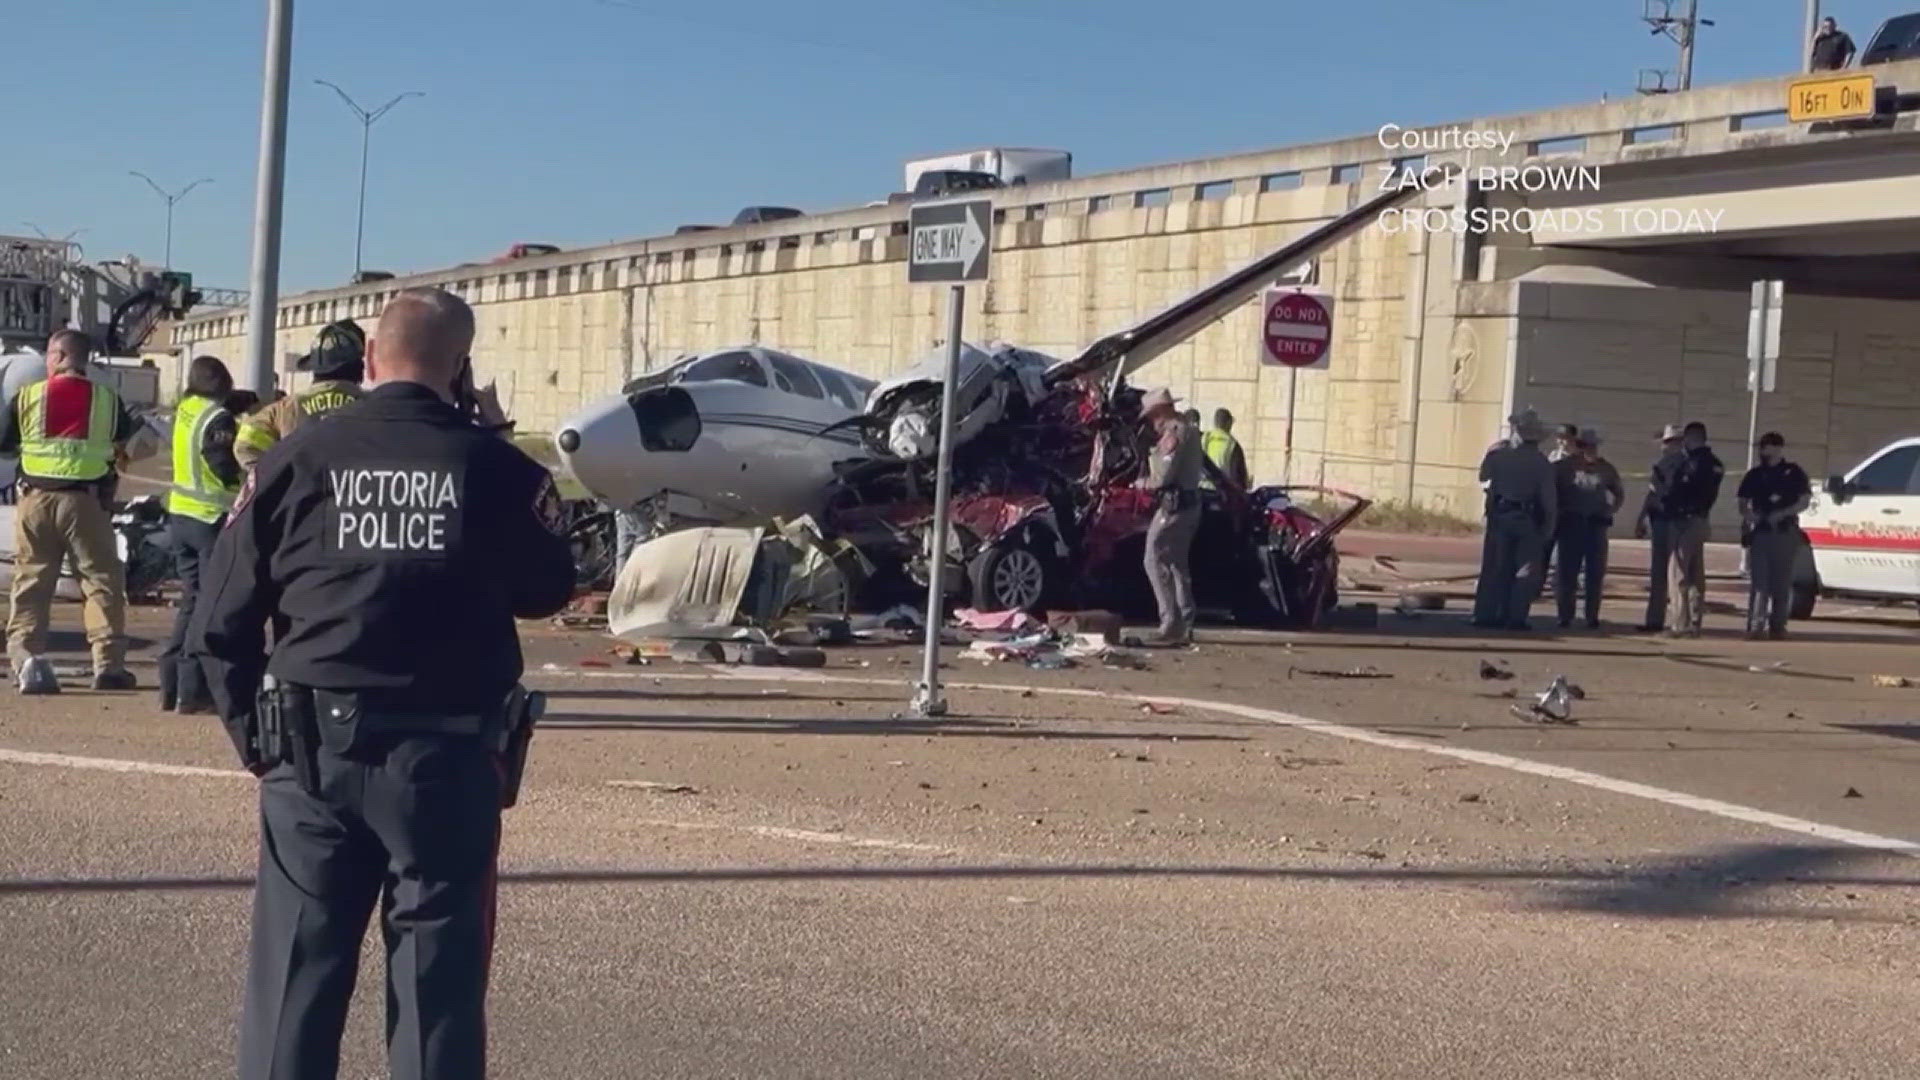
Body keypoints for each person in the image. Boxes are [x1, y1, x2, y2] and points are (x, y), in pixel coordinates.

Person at [189, 288, 577, 1079]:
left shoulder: (295, 460)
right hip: (446, 762)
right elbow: (548, 587)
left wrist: (256, 744)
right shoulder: (498, 469)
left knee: (296, 984)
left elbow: (217, 620)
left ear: (370, 359)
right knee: (438, 995)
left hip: (310, 758)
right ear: (462, 368)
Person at [0, 330, 140, 693]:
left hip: (37, 499)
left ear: (59, 355)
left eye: (49, 354)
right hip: (86, 503)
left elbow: (5, 444)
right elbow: (124, 443)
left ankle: (25, 659)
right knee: (101, 581)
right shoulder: (108, 399)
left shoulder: (27, 396)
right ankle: (108, 664)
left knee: (32, 580)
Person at [158, 355, 243, 713]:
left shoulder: (185, 409)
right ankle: (193, 691)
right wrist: (245, 480)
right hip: (210, 518)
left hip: (181, 516)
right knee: (209, 606)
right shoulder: (218, 418)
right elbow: (222, 464)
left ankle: (171, 683)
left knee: (191, 602)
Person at [233, 318, 367, 468]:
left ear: (313, 368)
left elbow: (246, 445)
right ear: (360, 367)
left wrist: (275, 478)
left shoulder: (285, 408)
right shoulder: (374, 405)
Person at [1471, 408, 1556, 631]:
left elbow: (1483, 477)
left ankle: (1486, 614)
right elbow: (1548, 499)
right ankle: (1516, 616)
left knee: (1494, 567)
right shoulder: (1541, 463)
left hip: (1500, 514)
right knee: (1524, 570)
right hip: (1528, 518)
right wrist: (1549, 525)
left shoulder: (1498, 455)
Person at [1139, 388, 1202, 646]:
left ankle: (1170, 622)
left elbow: (1162, 478)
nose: (1152, 422)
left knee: (1153, 558)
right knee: (1177, 564)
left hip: (1174, 508)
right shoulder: (1188, 428)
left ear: (1160, 412)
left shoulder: (1174, 433)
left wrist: (1141, 483)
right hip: (1188, 505)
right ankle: (1184, 622)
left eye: (1152, 416)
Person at [1737, 431, 1811, 641]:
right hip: (1761, 533)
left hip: (1785, 532)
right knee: (1760, 582)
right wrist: (1752, 517)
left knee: (1781, 581)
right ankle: (1756, 625)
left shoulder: (1793, 472)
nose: (1762, 451)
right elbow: (1742, 502)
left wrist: (1782, 514)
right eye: (1761, 446)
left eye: (1766, 446)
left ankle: (1778, 626)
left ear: (1778, 448)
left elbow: (1804, 501)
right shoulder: (1755, 474)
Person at [1552, 428, 1624, 629]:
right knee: (1567, 572)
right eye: (1583, 445)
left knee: (1595, 572)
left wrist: (1611, 510)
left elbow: (1618, 492)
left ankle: (1592, 615)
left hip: (1596, 525)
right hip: (1570, 523)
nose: (1587, 449)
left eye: (1591, 446)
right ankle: (1565, 614)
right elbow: (1550, 491)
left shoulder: (1605, 468)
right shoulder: (1563, 467)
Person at [1662, 420, 1725, 637]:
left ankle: (1680, 624)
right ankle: (1695, 620)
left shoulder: (1692, 464)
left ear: (1691, 438)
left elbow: (1678, 490)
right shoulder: (1715, 463)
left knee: (1678, 572)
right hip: (1701, 519)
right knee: (1696, 573)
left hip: (1685, 520)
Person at [1200, 407, 1250, 490]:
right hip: (1221, 492)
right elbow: (1238, 475)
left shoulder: (1204, 438)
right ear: (1228, 423)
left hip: (1201, 491)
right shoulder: (1232, 444)